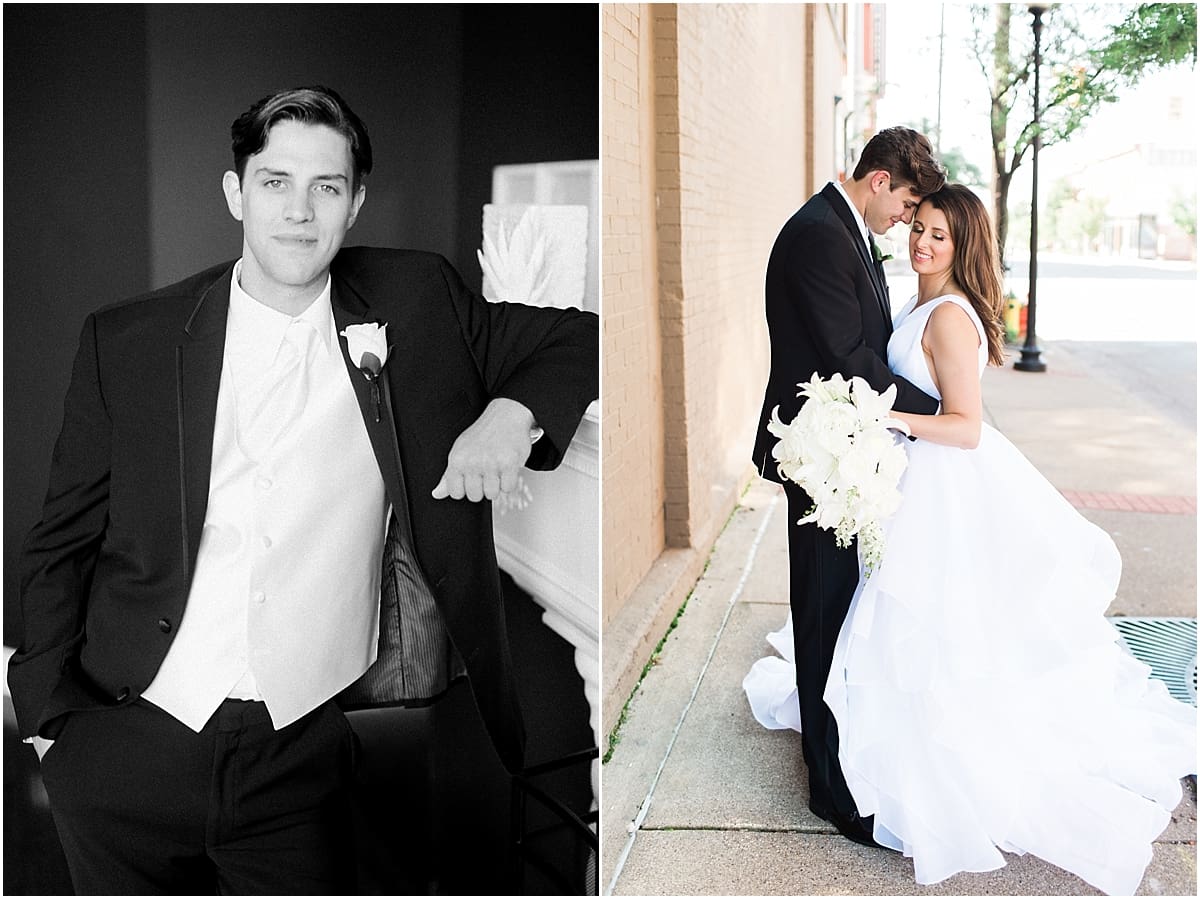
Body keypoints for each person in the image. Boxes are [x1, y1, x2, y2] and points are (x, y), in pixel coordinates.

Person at [7, 85, 598, 894]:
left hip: (299, 754)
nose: (299, 211)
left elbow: (581, 337)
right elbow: (61, 542)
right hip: (124, 737)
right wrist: (48, 726)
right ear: (234, 192)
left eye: (326, 187)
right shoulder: (128, 339)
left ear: (355, 203)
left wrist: (510, 412)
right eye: (275, 182)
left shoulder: (417, 301)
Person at [745, 184, 1196, 894]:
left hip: (942, 485)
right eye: (919, 228)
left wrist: (891, 419)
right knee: (900, 623)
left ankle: (926, 761)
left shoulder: (951, 318)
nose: (922, 243)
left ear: (964, 248)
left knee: (929, 626)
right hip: (912, 486)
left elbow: (967, 425)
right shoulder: (921, 299)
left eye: (939, 237)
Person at [750, 126, 946, 844]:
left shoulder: (842, 227)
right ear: (878, 181)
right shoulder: (818, 237)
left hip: (843, 451)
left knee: (839, 607)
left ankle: (836, 759)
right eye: (905, 206)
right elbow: (851, 360)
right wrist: (940, 412)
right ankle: (830, 791)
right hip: (823, 457)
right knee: (824, 610)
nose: (903, 221)